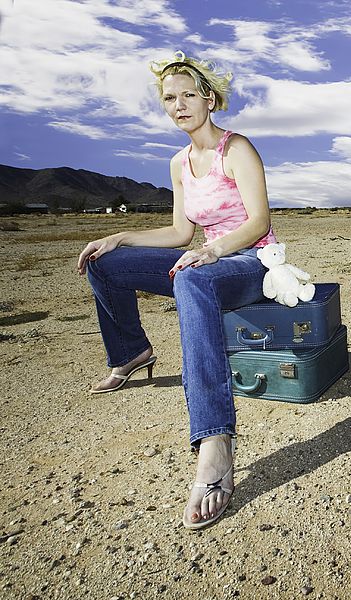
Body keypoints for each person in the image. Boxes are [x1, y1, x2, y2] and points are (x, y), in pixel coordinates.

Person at [76, 51, 277, 530]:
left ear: (209, 99)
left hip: (251, 262)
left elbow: (259, 222)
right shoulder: (179, 163)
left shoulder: (237, 149)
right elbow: (178, 234)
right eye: (170, 98)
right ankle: (131, 353)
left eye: (189, 95)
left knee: (191, 275)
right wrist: (120, 237)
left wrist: (215, 251)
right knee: (103, 263)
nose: (179, 104)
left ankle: (215, 443)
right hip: (203, 259)